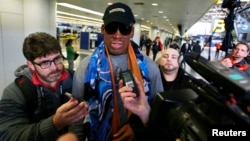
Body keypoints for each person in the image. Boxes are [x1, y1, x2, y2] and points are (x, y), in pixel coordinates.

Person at [70, 2, 163, 141]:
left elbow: (159, 111)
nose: (117, 35)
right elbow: (76, 117)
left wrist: (136, 128)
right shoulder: (85, 68)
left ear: (131, 31)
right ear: (103, 29)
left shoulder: (150, 68)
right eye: (111, 28)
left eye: (124, 29)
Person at [0, 32, 89, 141]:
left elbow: (81, 118)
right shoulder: (15, 92)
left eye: (57, 59)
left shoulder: (74, 79)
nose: (54, 68)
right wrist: (55, 123)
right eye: (45, 63)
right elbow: (8, 136)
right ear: (31, 65)